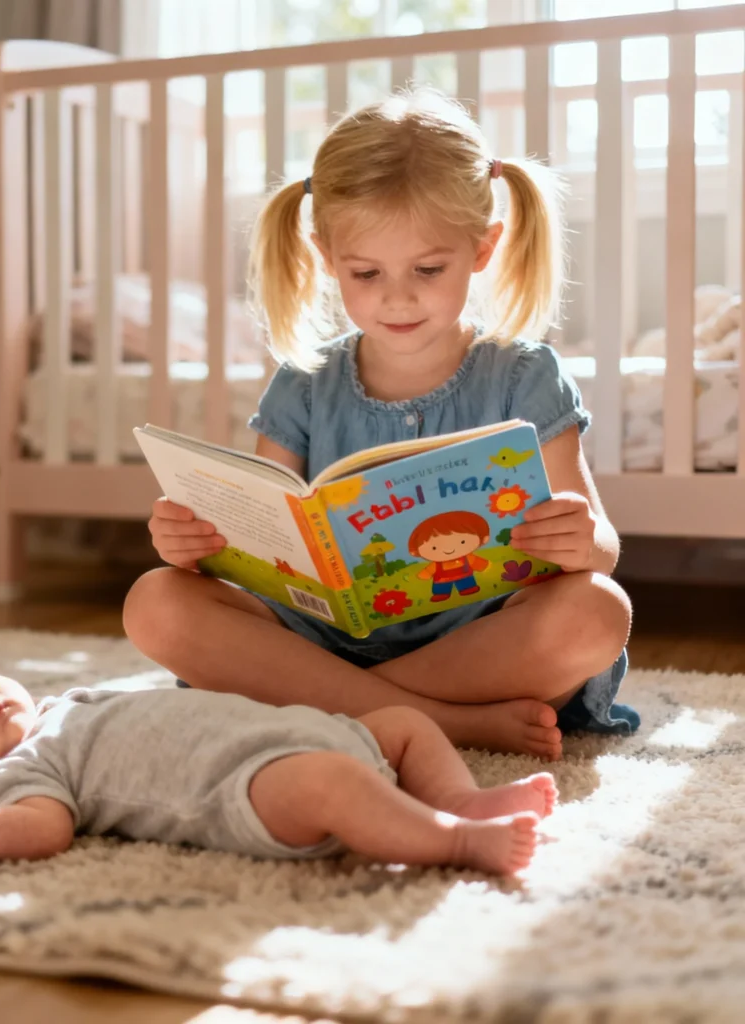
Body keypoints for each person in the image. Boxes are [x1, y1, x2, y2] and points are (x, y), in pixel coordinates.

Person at [123, 88, 638, 761]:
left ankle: (332, 707)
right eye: (365, 273)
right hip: (323, 634)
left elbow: (600, 548)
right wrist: (195, 544)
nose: (398, 296)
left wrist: (580, 539)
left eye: (429, 268)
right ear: (326, 256)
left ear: (482, 249)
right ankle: (438, 721)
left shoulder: (523, 375)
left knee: (598, 611)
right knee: (154, 601)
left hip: (480, 638)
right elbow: (266, 544)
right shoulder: (304, 383)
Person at [0, 657, 556, 874]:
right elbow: (39, 833)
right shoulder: (12, 778)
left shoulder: (63, 706)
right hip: (247, 789)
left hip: (303, 731)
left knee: (401, 726)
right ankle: (457, 842)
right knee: (332, 786)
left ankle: (460, 800)